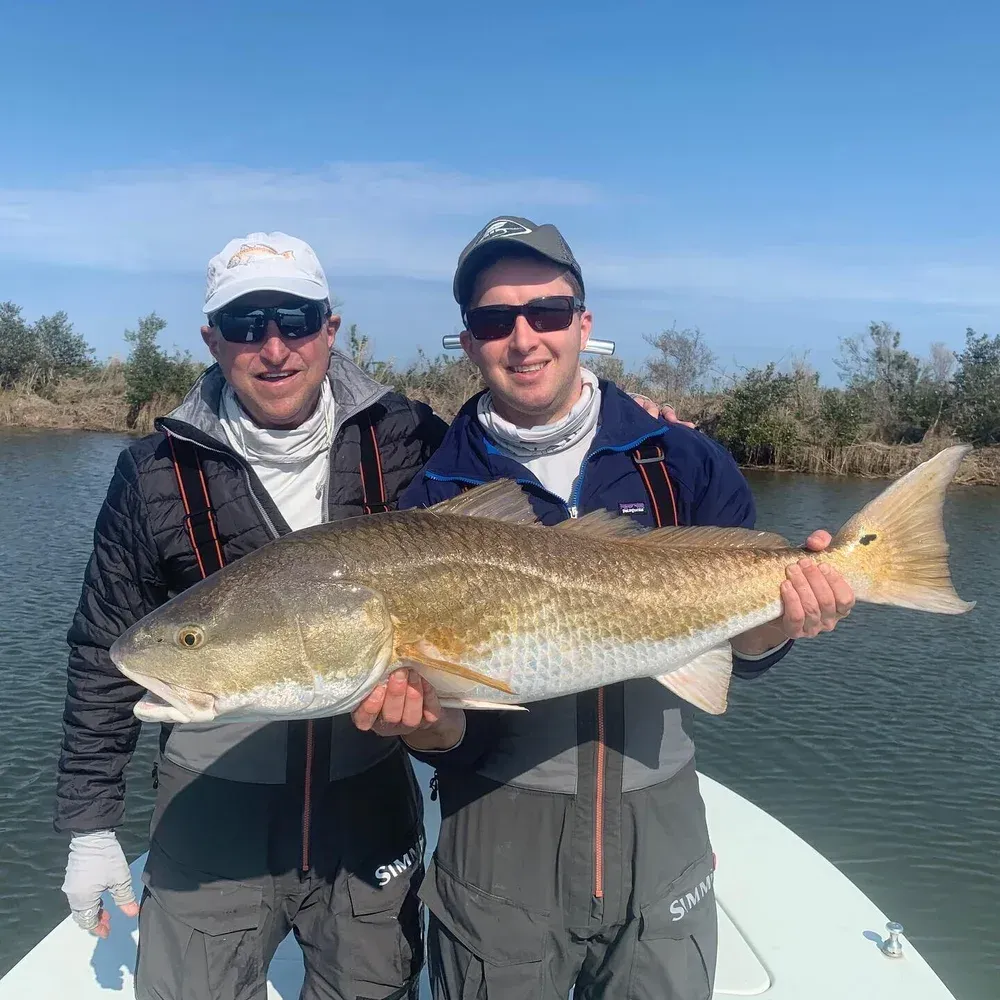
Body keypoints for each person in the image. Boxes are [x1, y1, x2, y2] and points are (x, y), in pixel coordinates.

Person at [352, 216, 856, 999]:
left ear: (583, 324)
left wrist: (786, 620)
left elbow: (744, 651)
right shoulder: (433, 499)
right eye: (495, 320)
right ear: (468, 340)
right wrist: (425, 725)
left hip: (659, 825)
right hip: (499, 836)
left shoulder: (678, 456)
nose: (524, 338)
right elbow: (453, 738)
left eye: (547, 313)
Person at [55, 232, 448, 1000]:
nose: (274, 347)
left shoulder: (408, 438)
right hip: (215, 802)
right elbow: (104, 647)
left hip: (366, 798)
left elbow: (518, 478)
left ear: (330, 328)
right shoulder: (153, 472)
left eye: (295, 320)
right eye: (245, 324)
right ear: (213, 339)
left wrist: (625, 413)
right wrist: (89, 822)